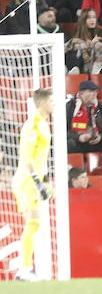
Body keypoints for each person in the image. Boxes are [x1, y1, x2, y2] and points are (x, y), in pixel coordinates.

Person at [8, 89, 53, 282]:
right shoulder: (33, 125)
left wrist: (44, 181)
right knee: (33, 222)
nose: (54, 104)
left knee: (35, 223)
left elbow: (40, 157)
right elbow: (26, 157)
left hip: (35, 181)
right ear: (42, 103)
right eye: (51, 101)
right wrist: (37, 181)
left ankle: (25, 269)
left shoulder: (43, 124)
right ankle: (24, 269)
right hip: (27, 182)